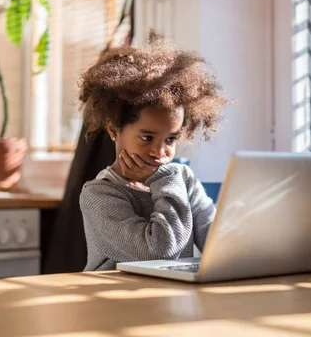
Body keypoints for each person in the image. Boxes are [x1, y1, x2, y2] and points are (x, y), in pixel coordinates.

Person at [78, 31, 229, 271]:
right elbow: (159, 252)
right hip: (115, 303)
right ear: (114, 130)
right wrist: (163, 179)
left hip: (168, 297)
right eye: (147, 137)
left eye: (171, 139)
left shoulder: (182, 180)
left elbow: (219, 241)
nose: (160, 152)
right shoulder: (100, 195)